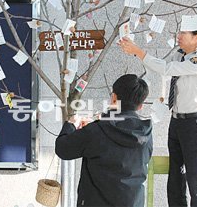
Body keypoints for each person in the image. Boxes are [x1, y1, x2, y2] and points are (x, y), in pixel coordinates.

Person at [118, 18, 197, 207]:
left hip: (194, 123)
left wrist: (138, 51)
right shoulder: (180, 55)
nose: (178, 37)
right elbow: (163, 68)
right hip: (177, 122)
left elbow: (166, 69)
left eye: (183, 34)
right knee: (176, 177)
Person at [55, 74, 153, 206]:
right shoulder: (146, 134)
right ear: (140, 106)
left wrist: (71, 124)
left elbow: (63, 149)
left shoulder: (97, 130)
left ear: (113, 98)